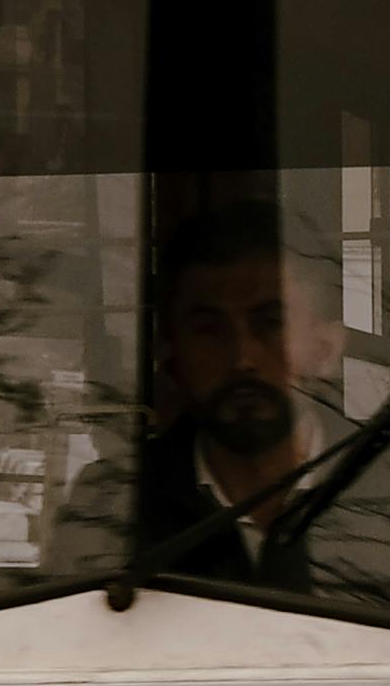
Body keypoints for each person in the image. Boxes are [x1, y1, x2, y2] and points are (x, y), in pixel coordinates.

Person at [134, 204, 349, 591]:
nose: (242, 359)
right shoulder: (118, 499)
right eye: (209, 329)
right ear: (171, 354)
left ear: (326, 349)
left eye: (270, 323)